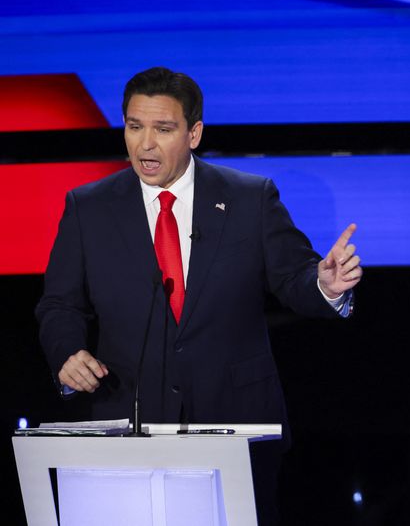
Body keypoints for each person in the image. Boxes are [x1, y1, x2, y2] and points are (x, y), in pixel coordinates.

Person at [36, 66, 362, 429]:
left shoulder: (249, 198)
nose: (145, 144)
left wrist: (325, 287)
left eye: (163, 129)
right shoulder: (89, 207)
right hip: (128, 418)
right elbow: (60, 304)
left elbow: (293, 278)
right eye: (134, 127)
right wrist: (67, 353)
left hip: (236, 420)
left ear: (194, 133)